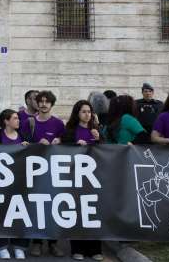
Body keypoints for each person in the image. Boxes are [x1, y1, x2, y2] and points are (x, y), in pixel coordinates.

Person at [24, 90, 64, 258]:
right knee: (35, 207)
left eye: (47, 101)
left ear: (52, 104)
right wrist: (33, 144)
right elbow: (22, 142)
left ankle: (53, 243)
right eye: (41, 101)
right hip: (33, 171)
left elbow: (67, 142)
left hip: (53, 172)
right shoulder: (29, 122)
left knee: (52, 206)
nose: (43, 104)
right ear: (36, 103)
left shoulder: (58, 124)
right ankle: (37, 242)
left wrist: (59, 141)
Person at [62, 100, 103, 261]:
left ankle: (95, 249)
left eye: (89, 111)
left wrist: (98, 139)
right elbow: (63, 148)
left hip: (93, 179)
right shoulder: (70, 130)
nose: (87, 114)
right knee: (77, 213)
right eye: (83, 111)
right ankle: (77, 248)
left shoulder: (97, 130)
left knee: (94, 213)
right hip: (75, 177)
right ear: (77, 113)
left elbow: (106, 151)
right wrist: (75, 144)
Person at [0, 109, 29, 259]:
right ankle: (1, 246)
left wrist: (27, 148)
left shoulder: (23, 136)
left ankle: (19, 247)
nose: (18, 121)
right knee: (0, 215)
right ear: (6, 121)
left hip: (20, 182)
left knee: (21, 214)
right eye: (15, 118)